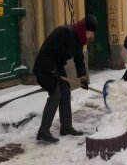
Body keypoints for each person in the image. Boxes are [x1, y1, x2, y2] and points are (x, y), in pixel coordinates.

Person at [32, 15, 97, 143]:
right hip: (44, 68)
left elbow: (79, 60)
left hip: (56, 67)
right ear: (85, 30)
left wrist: (83, 79)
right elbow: (47, 51)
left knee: (66, 93)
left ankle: (66, 127)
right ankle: (43, 131)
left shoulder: (79, 40)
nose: (92, 36)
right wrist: (52, 70)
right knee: (56, 94)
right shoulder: (65, 32)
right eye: (92, 33)